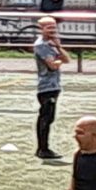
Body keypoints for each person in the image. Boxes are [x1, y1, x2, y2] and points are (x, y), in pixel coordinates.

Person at [31, 16, 70, 160]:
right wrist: (58, 60)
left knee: (50, 117)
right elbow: (52, 66)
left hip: (54, 85)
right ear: (41, 29)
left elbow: (67, 59)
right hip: (46, 86)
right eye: (49, 27)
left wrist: (58, 47)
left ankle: (43, 147)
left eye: (54, 26)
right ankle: (43, 148)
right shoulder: (41, 45)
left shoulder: (52, 44)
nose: (53, 30)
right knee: (46, 118)